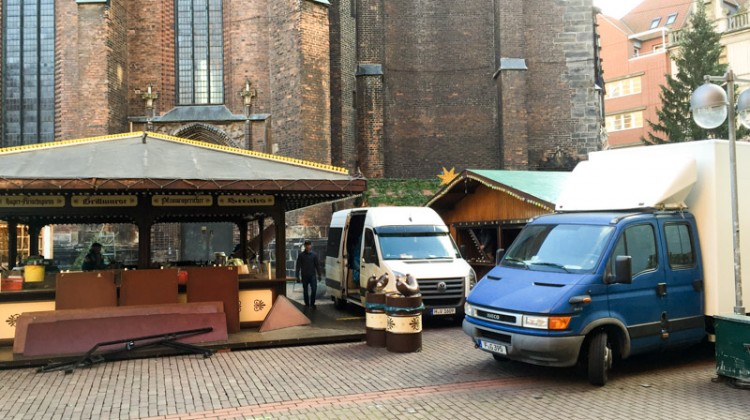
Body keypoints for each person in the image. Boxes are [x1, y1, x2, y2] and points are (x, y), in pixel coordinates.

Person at [295, 240, 322, 309]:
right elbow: (298, 266)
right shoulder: (301, 255)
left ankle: (312, 303)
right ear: (305, 246)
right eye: (306, 245)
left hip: (312, 275)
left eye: (309, 245)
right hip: (304, 275)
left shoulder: (314, 255)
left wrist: (319, 275)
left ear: (311, 246)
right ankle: (307, 303)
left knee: (314, 289)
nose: (308, 246)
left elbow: (317, 265)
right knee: (305, 290)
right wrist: (297, 276)